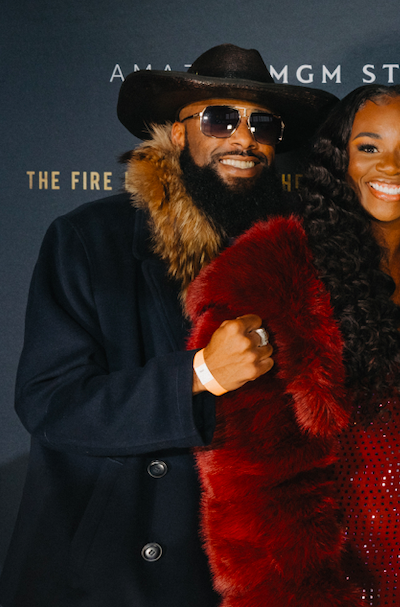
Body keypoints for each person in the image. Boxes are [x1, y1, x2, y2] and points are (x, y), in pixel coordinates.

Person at [0, 44, 337, 606]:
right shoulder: (89, 239)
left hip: (249, 566)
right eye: (220, 119)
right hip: (116, 570)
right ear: (179, 134)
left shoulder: (297, 252)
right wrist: (197, 374)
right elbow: (49, 402)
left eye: (262, 125)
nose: (243, 138)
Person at [185, 84, 400, 606]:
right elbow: (244, 484)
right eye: (369, 147)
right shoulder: (273, 275)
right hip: (342, 579)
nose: (391, 167)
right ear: (337, 161)